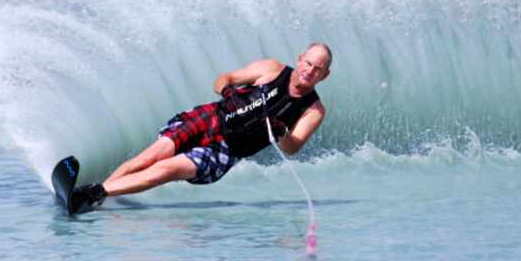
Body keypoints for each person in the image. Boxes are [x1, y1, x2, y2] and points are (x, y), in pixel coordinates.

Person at [68, 42, 332, 212]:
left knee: (166, 169)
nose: (310, 71)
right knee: (149, 158)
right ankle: (98, 198)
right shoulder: (272, 69)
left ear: (324, 75)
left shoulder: (313, 110)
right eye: (308, 63)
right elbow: (222, 78)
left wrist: (282, 131)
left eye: (318, 69)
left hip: (226, 151)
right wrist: (228, 91)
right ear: (300, 59)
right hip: (210, 118)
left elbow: (293, 147)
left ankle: (94, 192)